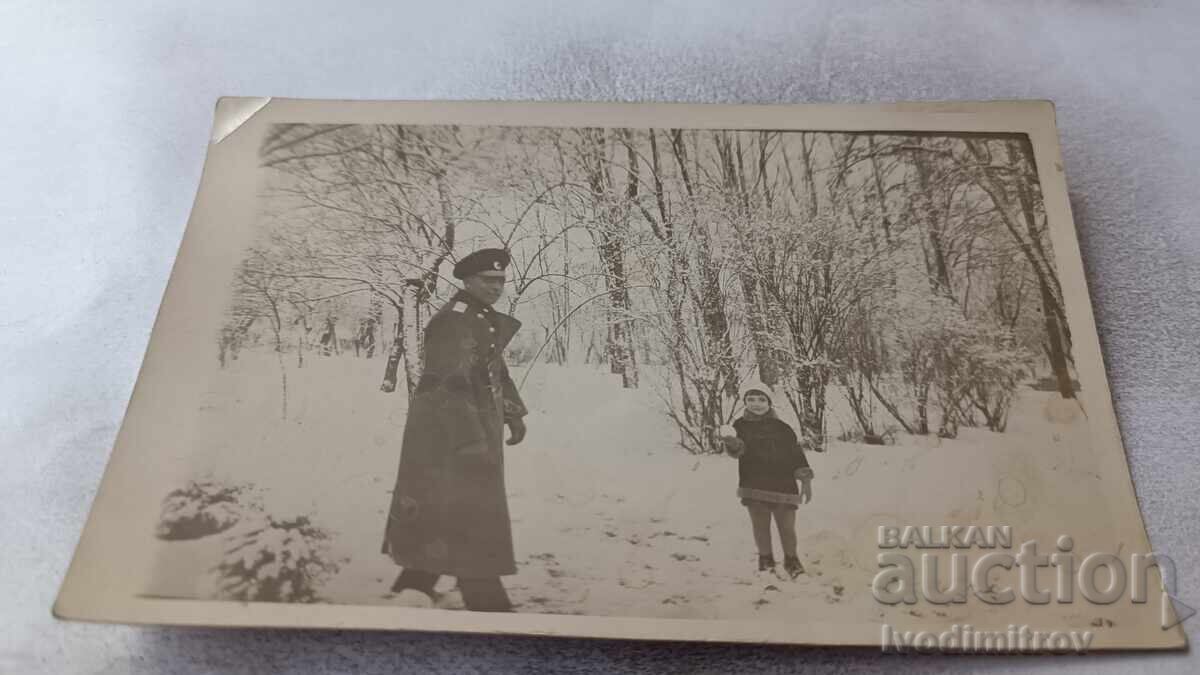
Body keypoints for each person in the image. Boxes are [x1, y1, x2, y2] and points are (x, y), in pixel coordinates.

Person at [381, 248, 528, 612]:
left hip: (469, 430)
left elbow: (494, 368)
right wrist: (471, 441)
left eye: (500, 282)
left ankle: (416, 584)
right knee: (471, 509)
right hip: (448, 437)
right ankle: (486, 599)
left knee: (446, 508)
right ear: (467, 281)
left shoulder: (477, 316)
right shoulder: (454, 320)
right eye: (487, 281)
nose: (496, 288)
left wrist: (513, 413)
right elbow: (449, 385)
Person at [717, 389, 814, 579]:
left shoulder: (783, 428)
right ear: (744, 402)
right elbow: (739, 450)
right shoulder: (740, 426)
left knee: (787, 527)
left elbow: (796, 454)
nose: (756, 403)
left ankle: (792, 560)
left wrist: (805, 478)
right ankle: (766, 560)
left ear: (769, 402)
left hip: (784, 485)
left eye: (761, 399)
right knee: (760, 526)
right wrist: (731, 442)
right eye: (750, 399)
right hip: (754, 484)